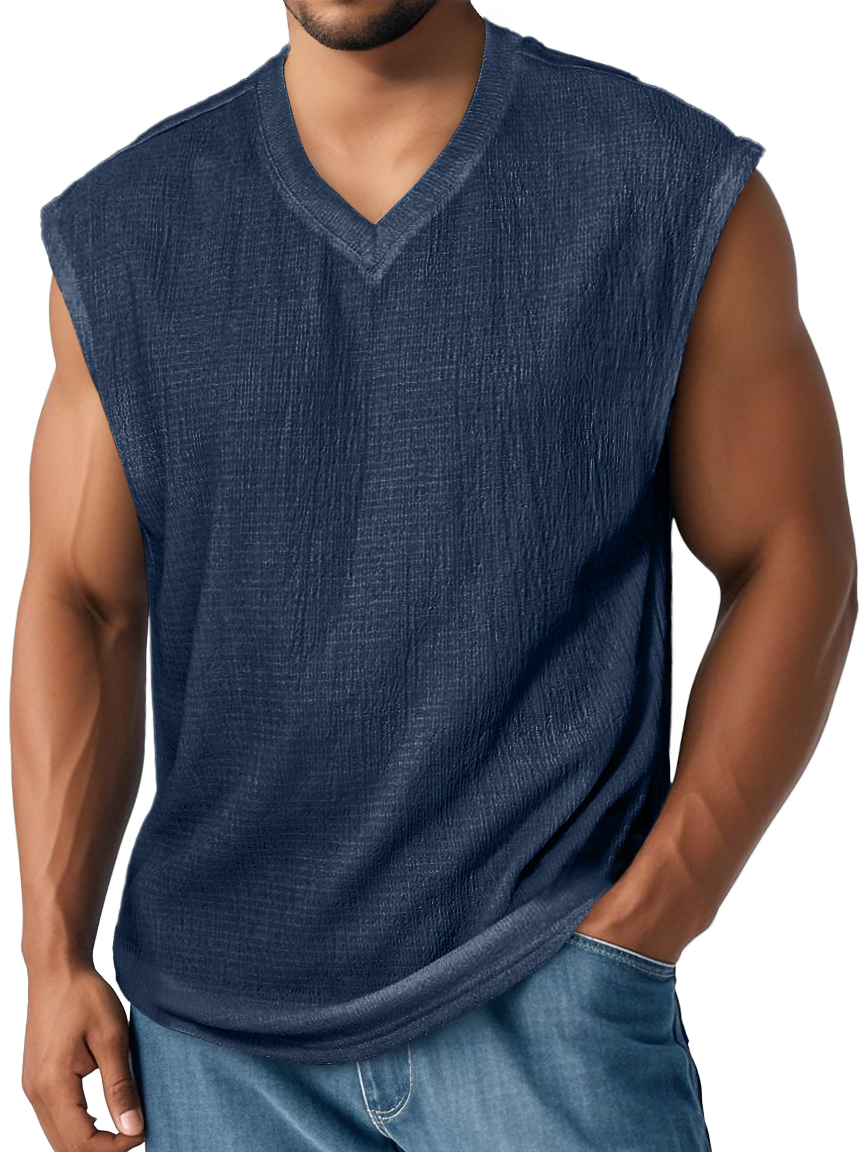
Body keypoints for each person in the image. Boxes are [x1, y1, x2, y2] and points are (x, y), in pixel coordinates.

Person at [12, 1, 857, 1149]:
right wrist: (51, 954)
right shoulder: (127, 228)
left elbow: (793, 556)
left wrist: (657, 910)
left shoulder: (664, 186)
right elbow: (83, 599)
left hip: (543, 1007)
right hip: (211, 1050)